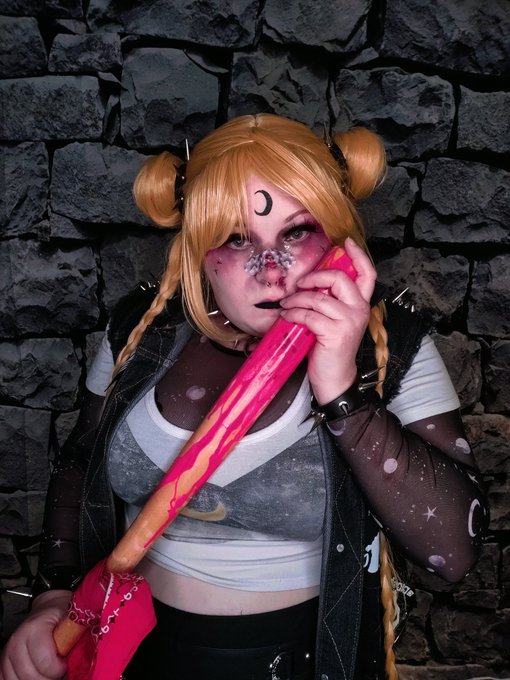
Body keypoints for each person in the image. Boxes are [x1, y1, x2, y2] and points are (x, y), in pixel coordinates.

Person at [0, 114, 489, 680]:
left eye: (296, 232)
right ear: (198, 248)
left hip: (305, 658)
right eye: (237, 238)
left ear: (336, 235)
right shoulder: (142, 329)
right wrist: (56, 596)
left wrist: (341, 394)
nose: (272, 273)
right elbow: (80, 462)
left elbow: (454, 554)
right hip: (134, 653)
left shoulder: (391, 345)